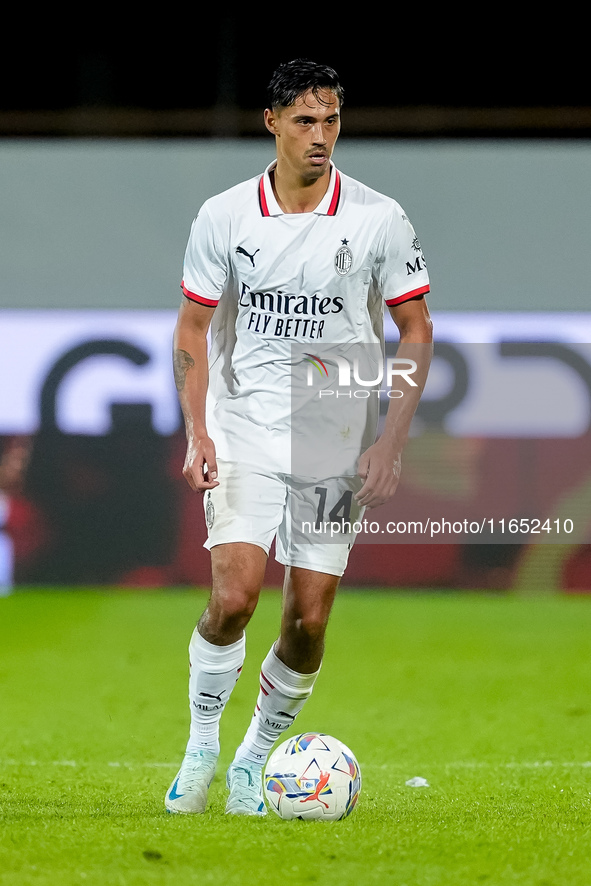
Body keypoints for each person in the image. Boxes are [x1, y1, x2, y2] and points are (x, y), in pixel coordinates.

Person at [165, 58, 433, 816]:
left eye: (332, 121)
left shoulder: (378, 216)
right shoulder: (225, 214)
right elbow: (192, 326)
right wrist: (197, 432)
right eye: (307, 121)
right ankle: (202, 746)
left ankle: (253, 759)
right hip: (245, 422)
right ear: (273, 123)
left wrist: (389, 439)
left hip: (333, 436)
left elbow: (415, 328)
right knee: (233, 598)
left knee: (308, 619)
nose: (322, 136)